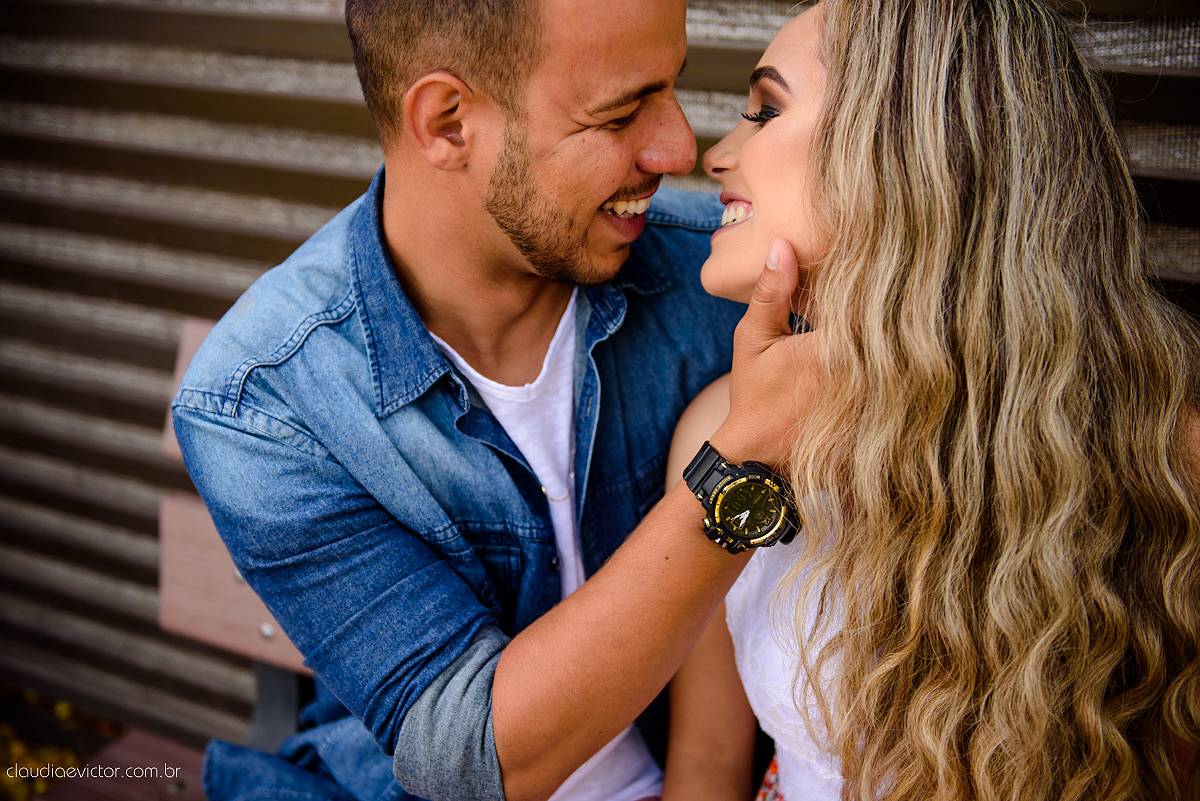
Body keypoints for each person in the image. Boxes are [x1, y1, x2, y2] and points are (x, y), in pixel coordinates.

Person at [172, 1, 810, 800]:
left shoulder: (726, 275)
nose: (681, 147)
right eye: (619, 113)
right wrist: (736, 469)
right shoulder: (267, 402)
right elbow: (467, 757)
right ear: (446, 124)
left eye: (672, 86)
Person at [661, 2, 1200, 800]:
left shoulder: (1166, 454)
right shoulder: (723, 437)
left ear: (907, 154)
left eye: (766, 111)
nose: (716, 152)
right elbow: (706, 767)